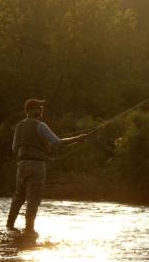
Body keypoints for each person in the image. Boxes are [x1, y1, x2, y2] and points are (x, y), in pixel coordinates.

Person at [6, 98, 88, 237]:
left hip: (21, 165)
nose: (41, 111)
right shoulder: (40, 125)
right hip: (36, 165)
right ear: (31, 110)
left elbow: (14, 148)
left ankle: (9, 225)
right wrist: (78, 138)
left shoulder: (19, 126)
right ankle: (29, 229)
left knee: (19, 195)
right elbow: (57, 143)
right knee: (33, 197)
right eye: (39, 108)